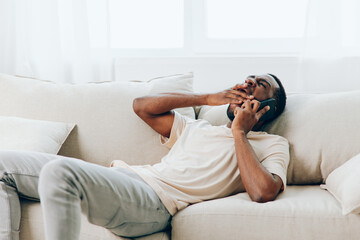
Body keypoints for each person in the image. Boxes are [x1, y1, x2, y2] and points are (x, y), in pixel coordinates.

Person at [0, 73, 289, 240]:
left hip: (154, 203)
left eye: (259, 85)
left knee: (59, 172)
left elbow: (263, 192)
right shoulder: (196, 128)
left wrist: (239, 132)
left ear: (269, 107)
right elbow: (142, 107)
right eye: (247, 79)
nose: (248, 82)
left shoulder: (271, 144)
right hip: (123, 180)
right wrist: (207, 98)